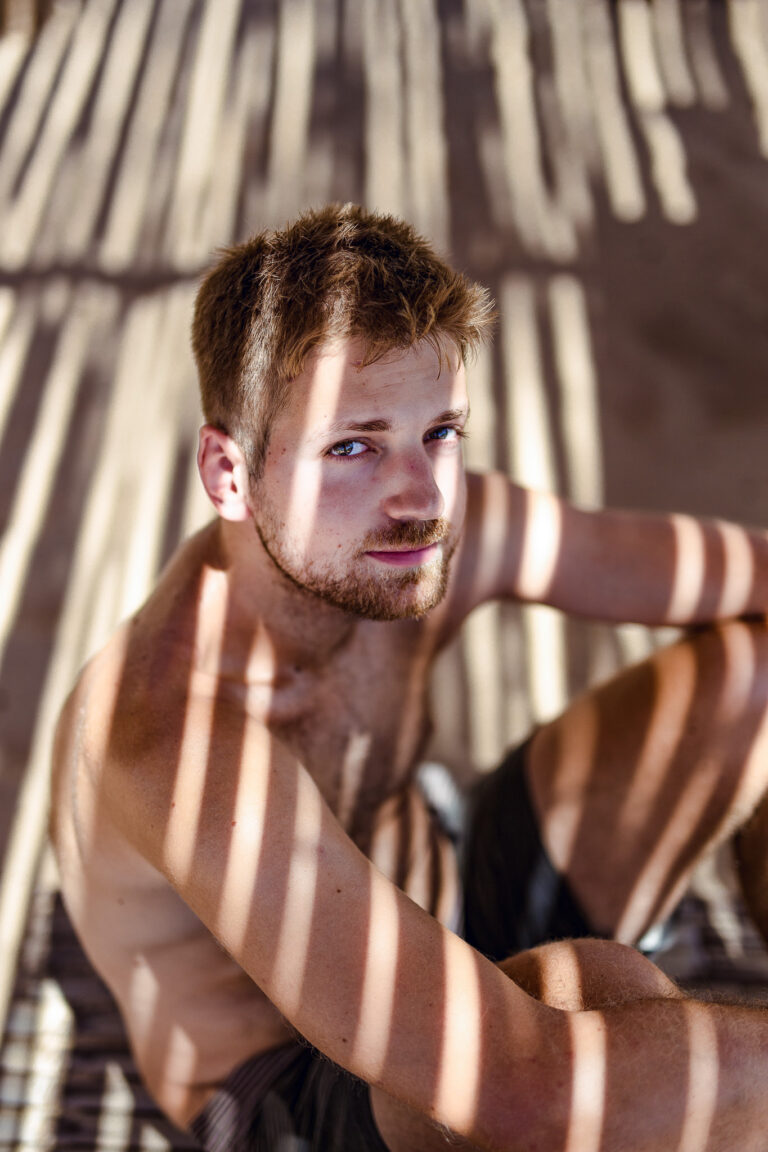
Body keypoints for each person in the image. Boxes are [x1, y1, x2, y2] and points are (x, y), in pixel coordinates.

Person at [50, 204, 768, 1152]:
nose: (422, 497)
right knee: (596, 997)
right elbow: (531, 1090)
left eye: (440, 431)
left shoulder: (418, 533)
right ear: (229, 473)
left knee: (753, 671)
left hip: (443, 892)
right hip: (290, 1082)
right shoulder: (174, 741)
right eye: (353, 447)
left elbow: (734, 568)